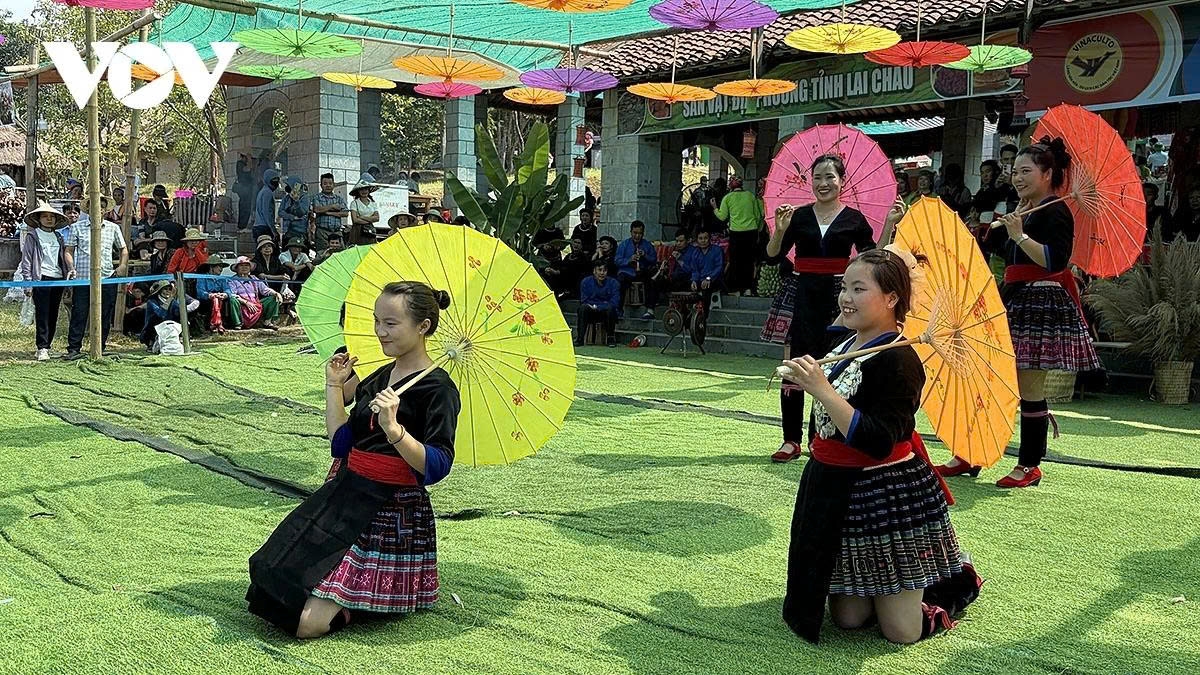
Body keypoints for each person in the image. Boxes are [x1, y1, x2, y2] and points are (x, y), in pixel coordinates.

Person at [780, 247, 981, 645]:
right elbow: (822, 430)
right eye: (844, 287)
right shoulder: (844, 345)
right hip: (835, 489)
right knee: (848, 620)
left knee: (900, 632)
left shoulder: (900, 361)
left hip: (887, 494)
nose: (846, 297)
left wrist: (822, 390)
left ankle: (958, 581)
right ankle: (885, 588)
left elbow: (877, 441)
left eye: (859, 289)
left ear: (891, 299)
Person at [246, 282, 460, 639]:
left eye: (391, 323)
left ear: (423, 326)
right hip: (345, 491)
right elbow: (341, 443)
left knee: (307, 624)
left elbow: (437, 465)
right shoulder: (377, 377)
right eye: (377, 321)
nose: (380, 331)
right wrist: (334, 386)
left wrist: (394, 429)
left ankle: (362, 602)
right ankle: (356, 595)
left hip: (391, 509)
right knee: (269, 585)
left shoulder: (439, 389)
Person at [939, 137, 1101, 487]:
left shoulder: (1057, 210)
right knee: (983, 374)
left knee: (1028, 385)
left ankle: (1029, 464)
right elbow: (1002, 252)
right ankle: (971, 451)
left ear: (1047, 174)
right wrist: (993, 231)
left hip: (1040, 301)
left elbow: (1054, 260)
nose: (1017, 177)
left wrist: (1019, 235)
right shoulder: (1023, 209)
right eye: (1014, 172)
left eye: (1026, 171)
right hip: (1012, 297)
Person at [765, 155, 905, 463]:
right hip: (802, 293)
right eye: (817, 177)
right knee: (795, 363)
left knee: (830, 364)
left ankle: (819, 438)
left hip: (840, 297)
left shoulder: (854, 218)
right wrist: (780, 229)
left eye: (830, 177)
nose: (823, 183)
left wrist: (890, 224)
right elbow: (773, 255)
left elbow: (872, 257)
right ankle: (790, 439)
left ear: (842, 181)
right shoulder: (798, 216)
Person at [65, 196, 129, 359]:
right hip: (83, 278)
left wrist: (122, 266)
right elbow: (69, 250)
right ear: (88, 209)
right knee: (79, 313)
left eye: (101, 206)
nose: (98, 209)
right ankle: (74, 348)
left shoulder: (113, 228)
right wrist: (71, 268)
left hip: (106, 277)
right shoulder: (77, 227)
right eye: (94, 205)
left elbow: (123, 249)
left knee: (105, 314)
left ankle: (100, 347)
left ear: (105, 210)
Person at [19, 202, 75, 362]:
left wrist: (68, 276)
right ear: (38, 219)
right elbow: (27, 261)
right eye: (45, 216)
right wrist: (28, 283)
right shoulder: (33, 236)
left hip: (57, 279)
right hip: (41, 278)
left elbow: (63, 258)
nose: (49, 219)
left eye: (52, 217)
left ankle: (47, 346)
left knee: (53, 314)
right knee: (42, 314)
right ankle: (41, 347)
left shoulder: (59, 237)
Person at [615, 221, 659, 320]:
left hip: (642, 271)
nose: (637, 236)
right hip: (627, 272)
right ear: (631, 232)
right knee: (620, 282)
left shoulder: (647, 245)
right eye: (635, 233)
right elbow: (617, 260)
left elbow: (654, 260)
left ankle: (650, 310)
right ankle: (618, 310)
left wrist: (645, 255)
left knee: (651, 280)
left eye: (640, 233)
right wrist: (629, 260)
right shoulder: (624, 244)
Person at [227, 256, 282, 330]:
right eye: (241, 265)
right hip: (242, 304)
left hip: (255, 304)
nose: (244, 267)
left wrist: (276, 293)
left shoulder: (254, 278)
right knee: (233, 300)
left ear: (250, 268)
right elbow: (233, 294)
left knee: (273, 298)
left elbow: (265, 289)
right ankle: (238, 323)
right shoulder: (232, 280)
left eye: (247, 265)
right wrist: (246, 302)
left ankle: (267, 322)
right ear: (237, 268)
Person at [577, 260, 621, 347]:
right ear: (594, 271)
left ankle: (611, 338)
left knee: (610, 309)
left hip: (606, 313)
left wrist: (598, 306)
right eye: (599, 270)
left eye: (604, 270)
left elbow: (614, 302)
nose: (602, 273)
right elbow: (584, 300)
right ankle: (580, 339)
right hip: (591, 311)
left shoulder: (614, 283)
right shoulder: (585, 282)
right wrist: (600, 304)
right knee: (582, 308)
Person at [682, 229, 724, 311]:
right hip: (700, 280)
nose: (703, 241)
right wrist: (694, 280)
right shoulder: (695, 252)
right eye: (700, 238)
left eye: (705, 238)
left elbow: (719, 267)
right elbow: (695, 270)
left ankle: (704, 315)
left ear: (709, 239)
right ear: (697, 240)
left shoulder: (717, 250)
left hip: (715, 279)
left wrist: (709, 278)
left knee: (706, 288)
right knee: (688, 286)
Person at [194, 255, 231, 334]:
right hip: (206, 301)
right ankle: (215, 324)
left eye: (222, 267)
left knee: (227, 301)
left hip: (220, 299)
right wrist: (210, 295)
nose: (221, 269)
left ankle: (221, 324)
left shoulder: (222, 279)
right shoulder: (202, 278)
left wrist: (225, 294)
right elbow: (200, 292)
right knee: (213, 301)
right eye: (219, 266)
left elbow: (228, 290)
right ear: (211, 267)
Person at [347, 174, 380, 246]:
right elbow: (355, 220)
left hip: (370, 230)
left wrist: (362, 217)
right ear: (358, 191)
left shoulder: (373, 203)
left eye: (365, 189)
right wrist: (370, 220)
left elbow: (377, 218)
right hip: (358, 230)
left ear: (368, 190)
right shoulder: (355, 203)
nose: (364, 191)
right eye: (361, 189)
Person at [279, 175, 312, 246]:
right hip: (287, 231)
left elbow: (301, 213)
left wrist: (296, 201)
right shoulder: (286, 198)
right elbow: (280, 212)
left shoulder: (305, 198)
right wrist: (292, 217)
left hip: (300, 232)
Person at [254, 168, 281, 242]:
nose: (276, 183)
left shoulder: (263, 191)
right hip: (264, 227)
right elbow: (266, 212)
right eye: (274, 180)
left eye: (277, 180)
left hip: (259, 226)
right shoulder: (268, 192)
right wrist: (273, 230)